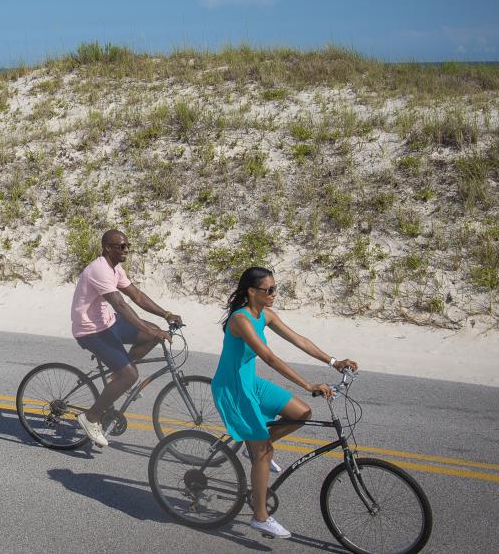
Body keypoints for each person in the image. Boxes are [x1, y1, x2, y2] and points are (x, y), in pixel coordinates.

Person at [212, 266, 359, 539]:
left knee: (301, 412)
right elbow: (269, 357)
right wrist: (308, 384)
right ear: (251, 291)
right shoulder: (240, 319)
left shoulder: (265, 314)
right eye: (269, 290)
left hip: (251, 383)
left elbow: (298, 340)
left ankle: (255, 447)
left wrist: (334, 361)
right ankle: (260, 517)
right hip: (233, 389)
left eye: (275, 289)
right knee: (264, 452)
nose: (274, 294)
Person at [71, 229, 182, 448]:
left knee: (151, 335)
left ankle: (116, 378)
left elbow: (136, 296)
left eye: (127, 246)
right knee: (131, 375)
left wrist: (166, 315)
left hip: (109, 322)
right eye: (121, 246)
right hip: (90, 330)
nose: (126, 250)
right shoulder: (99, 270)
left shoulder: (116, 268)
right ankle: (91, 417)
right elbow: (120, 304)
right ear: (107, 248)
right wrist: (152, 330)